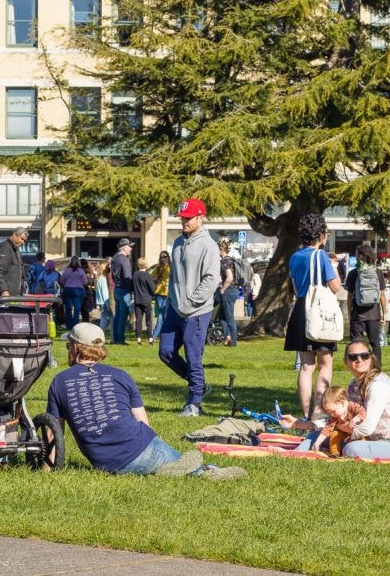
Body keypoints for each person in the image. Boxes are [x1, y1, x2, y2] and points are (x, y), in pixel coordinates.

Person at [46, 322, 245, 480]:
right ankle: (208, 472)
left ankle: (170, 468)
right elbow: (143, 423)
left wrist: (48, 469)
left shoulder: (59, 381)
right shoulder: (120, 375)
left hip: (103, 462)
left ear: (74, 348)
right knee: (189, 466)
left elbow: (53, 432)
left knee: (173, 462)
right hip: (138, 445)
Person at [281, 340, 390, 459]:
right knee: (316, 436)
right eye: (353, 357)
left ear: (371, 358)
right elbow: (338, 418)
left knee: (351, 449)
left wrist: (337, 427)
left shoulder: (378, 386)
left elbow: (366, 428)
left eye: (365, 355)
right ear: (346, 361)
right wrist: (298, 424)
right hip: (368, 439)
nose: (359, 360)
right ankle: (293, 455)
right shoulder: (354, 385)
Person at [158, 198, 220, 417]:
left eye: (188, 218)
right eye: (182, 218)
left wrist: (193, 300)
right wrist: (172, 301)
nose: (183, 221)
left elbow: (212, 278)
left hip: (197, 310)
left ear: (200, 217)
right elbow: (174, 275)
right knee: (165, 351)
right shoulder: (177, 243)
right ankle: (199, 384)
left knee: (194, 357)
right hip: (175, 308)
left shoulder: (208, 245)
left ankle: (194, 403)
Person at [283, 213, 340, 424]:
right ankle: (318, 410)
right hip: (319, 311)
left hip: (300, 308)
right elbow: (335, 286)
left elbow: (293, 285)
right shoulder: (321, 256)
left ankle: (307, 412)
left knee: (306, 366)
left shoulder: (294, 257)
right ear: (321, 235)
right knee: (325, 363)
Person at [345, 244, 387, 365]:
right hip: (374, 314)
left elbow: (349, 296)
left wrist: (349, 312)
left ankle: (358, 366)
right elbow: (382, 295)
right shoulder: (377, 272)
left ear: (361, 256)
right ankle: (376, 368)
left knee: (356, 343)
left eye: (357, 254)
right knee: (375, 343)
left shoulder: (353, 273)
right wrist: (384, 313)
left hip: (358, 315)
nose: (356, 256)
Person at [309, 385, 368, 455]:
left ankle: (361, 450)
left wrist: (357, 418)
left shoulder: (352, 406)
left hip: (356, 432)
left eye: (333, 411)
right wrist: (318, 442)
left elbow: (363, 412)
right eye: (329, 412)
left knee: (359, 440)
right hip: (343, 432)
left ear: (342, 402)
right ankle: (335, 453)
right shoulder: (335, 416)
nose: (332, 414)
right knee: (334, 434)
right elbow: (327, 429)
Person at [0, 227, 28, 298]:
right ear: (14, 235)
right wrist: (4, 290)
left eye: (24, 241)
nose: (23, 242)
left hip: (13, 296)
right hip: (1, 297)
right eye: (21, 238)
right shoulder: (5, 248)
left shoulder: (16, 251)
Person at [215, 237, 239, 347]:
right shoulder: (230, 259)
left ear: (221, 249)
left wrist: (222, 289)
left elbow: (229, 278)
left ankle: (233, 342)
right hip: (231, 291)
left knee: (229, 318)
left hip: (228, 291)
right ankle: (228, 337)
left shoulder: (226, 261)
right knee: (221, 317)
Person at [110, 238, 134, 345]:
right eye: (129, 247)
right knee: (122, 317)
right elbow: (128, 276)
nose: (131, 249)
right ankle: (120, 340)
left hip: (117, 289)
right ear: (124, 248)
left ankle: (115, 338)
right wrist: (132, 290)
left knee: (117, 316)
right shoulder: (124, 259)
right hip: (124, 290)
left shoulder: (114, 258)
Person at [59, 256, 88, 330]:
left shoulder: (66, 270)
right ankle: (75, 326)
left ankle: (69, 326)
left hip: (68, 290)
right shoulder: (81, 271)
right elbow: (85, 282)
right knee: (77, 310)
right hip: (78, 291)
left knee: (68, 309)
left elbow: (62, 281)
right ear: (78, 262)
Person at [131, 257, 156, 345]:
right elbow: (152, 288)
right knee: (149, 321)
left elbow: (132, 287)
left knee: (138, 320)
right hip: (147, 300)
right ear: (146, 264)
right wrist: (154, 295)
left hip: (137, 300)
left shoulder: (134, 274)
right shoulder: (147, 275)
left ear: (138, 264)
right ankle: (150, 339)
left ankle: (138, 340)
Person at [150, 251, 171, 341]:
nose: (163, 258)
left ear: (168, 257)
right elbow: (150, 277)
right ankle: (154, 337)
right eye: (161, 257)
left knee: (164, 315)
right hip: (159, 294)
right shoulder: (158, 268)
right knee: (161, 315)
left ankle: (158, 335)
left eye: (165, 256)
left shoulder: (171, 267)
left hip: (169, 294)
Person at [95, 261, 113, 333]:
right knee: (112, 319)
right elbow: (105, 293)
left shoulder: (99, 278)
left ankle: (101, 334)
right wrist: (108, 304)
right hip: (106, 302)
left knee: (103, 318)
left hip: (102, 302)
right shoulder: (104, 279)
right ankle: (113, 337)